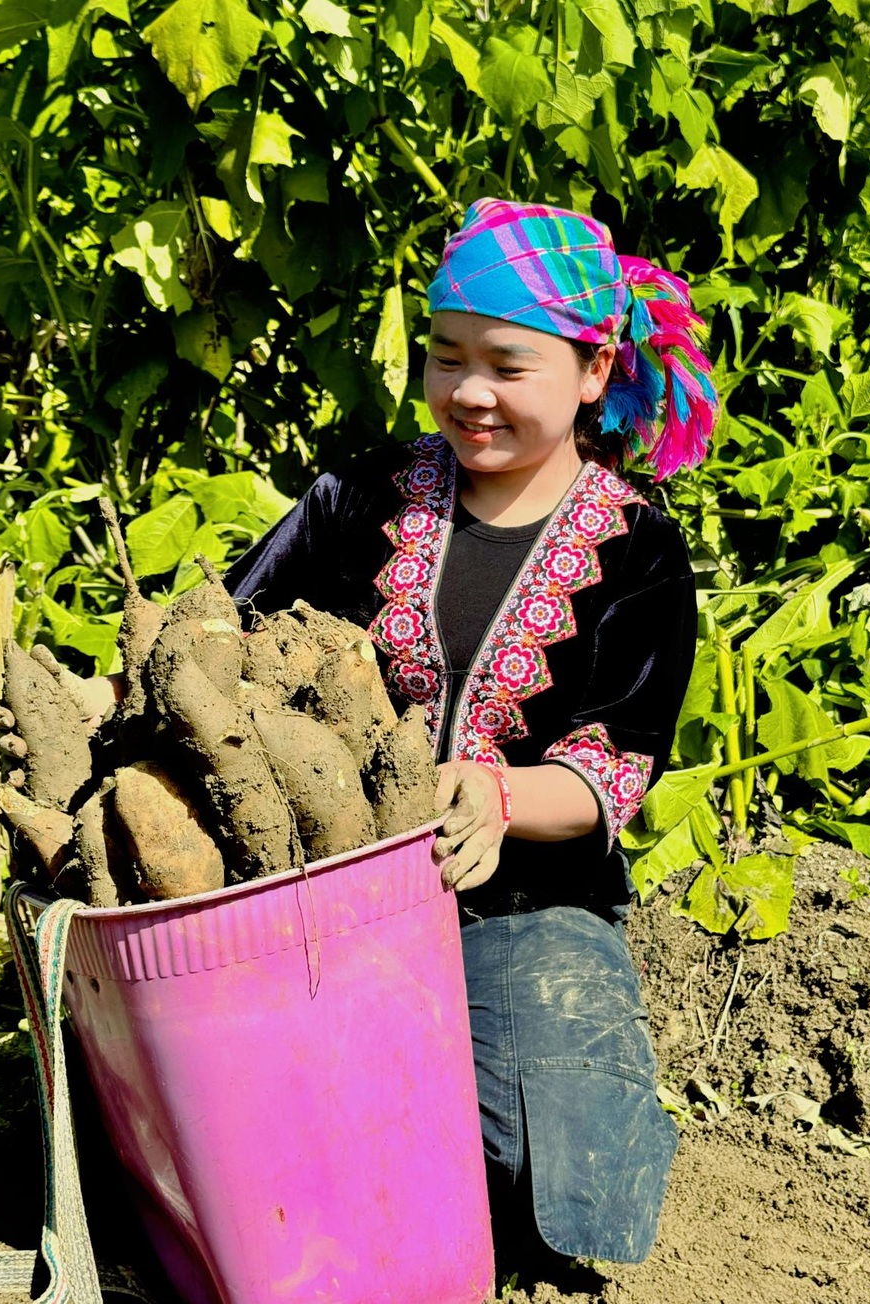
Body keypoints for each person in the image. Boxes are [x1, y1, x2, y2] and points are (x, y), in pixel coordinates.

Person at [46, 198, 717, 1271]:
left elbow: (610, 770)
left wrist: (498, 796)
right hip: (309, 882)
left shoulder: (637, 551)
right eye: (445, 357)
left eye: (506, 364)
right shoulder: (358, 496)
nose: (469, 392)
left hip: (520, 900)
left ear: (593, 373)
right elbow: (220, 638)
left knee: (563, 1194)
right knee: (221, 1132)